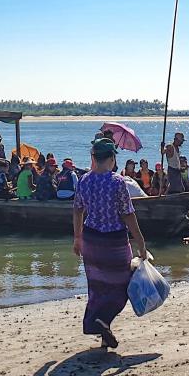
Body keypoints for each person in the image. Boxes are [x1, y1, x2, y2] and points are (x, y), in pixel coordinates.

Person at [73, 136, 148, 350]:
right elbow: (128, 214)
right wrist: (141, 241)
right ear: (112, 158)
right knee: (122, 285)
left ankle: (103, 330)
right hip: (114, 241)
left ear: (93, 158)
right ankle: (103, 322)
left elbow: (77, 210)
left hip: (91, 240)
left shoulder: (84, 180)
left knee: (98, 287)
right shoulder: (117, 182)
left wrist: (77, 237)